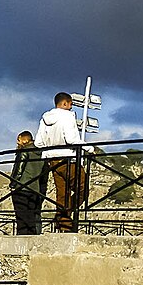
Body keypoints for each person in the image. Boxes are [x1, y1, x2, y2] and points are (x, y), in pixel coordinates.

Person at [34, 92, 88, 232]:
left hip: (52, 160)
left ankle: (64, 225)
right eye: (70, 104)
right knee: (83, 188)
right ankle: (62, 217)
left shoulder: (45, 119)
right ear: (65, 103)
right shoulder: (67, 117)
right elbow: (71, 139)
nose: (71, 108)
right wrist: (89, 147)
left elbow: (38, 142)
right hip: (68, 159)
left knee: (62, 195)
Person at [11, 131, 46, 235]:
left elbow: (19, 169)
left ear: (24, 139)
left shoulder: (24, 151)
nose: (17, 142)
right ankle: (32, 239)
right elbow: (44, 176)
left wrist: (13, 184)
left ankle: (21, 242)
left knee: (21, 217)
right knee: (31, 217)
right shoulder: (41, 154)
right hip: (35, 189)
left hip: (21, 187)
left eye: (19, 140)